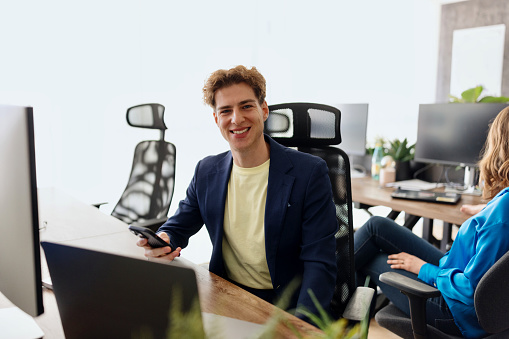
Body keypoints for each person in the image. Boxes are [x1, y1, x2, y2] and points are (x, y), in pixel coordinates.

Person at [136, 65, 338, 321]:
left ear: (264, 110)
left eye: (246, 106)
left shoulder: (309, 173)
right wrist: (163, 239)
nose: (236, 119)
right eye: (225, 111)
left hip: (288, 306)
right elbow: (178, 226)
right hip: (228, 297)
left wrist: (302, 326)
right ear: (216, 119)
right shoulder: (206, 171)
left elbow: (319, 262)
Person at [354, 106, 509, 338]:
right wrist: (486, 210)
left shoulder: (500, 219)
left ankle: (319, 302)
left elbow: (471, 291)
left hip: (455, 311)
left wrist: (422, 269)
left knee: (371, 258)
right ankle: (323, 291)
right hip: (456, 275)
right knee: (377, 225)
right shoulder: (501, 207)